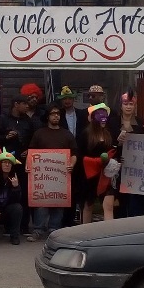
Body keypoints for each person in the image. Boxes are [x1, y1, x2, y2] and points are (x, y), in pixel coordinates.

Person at [26, 104, 77, 241]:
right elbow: (31, 152)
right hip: (42, 176)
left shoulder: (67, 134)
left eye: (58, 114)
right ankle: (38, 230)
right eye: (53, 114)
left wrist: (71, 164)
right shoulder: (39, 133)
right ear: (47, 116)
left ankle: (54, 230)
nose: (56, 116)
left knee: (58, 202)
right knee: (41, 202)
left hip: (60, 175)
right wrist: (28, 165)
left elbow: (74, 153)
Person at [0, 95, 34, 235]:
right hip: (6, 164)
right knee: (6, 193)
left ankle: (24, 226)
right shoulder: (3, 119)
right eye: (24, 104)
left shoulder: (27, 120)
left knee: (24, 192)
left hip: (23, 164)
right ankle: (6, 225)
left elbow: (33, 139)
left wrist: (29, 150)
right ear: (16, 104)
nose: (27, 106)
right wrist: (5, 137)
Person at [106, 90, 143, 218]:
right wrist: (118, 144)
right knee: (118, 201)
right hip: (117, 168)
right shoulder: (113, 122)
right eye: (126, 104)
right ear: (121, 106)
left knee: (134, 201)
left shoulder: (141, 123)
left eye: (131, 104)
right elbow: (107, 145)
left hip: (135, 169)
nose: (128, 107)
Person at [80, 103, 117, 222]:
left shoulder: (108, 133)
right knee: (88, 204)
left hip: (106, 173)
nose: (103, 119)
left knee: (108, 204)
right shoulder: (86, 134)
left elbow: (113, 150)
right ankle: (85, 232)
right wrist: (95, 161)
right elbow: (80, 154)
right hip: (90, 175)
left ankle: (109, 234)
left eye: (105, 116)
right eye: (100, 116)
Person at [57, 86, 87, 227]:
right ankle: (63, 220)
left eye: (69, 98)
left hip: (79, 156)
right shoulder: (58, 115)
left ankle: (75, 217)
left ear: (74, 99)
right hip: (63, 156)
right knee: (62, 188)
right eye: (64, 99)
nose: (67, 101)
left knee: (78, 188)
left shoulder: (82, 114)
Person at [0, 149, 24, 245]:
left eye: (9, 163)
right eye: (4, 162)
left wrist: (16, 187)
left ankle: (14, 236)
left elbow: (17, 201)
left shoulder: (14, 178)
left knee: (17, 208)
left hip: (5, 209)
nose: (7, 165)